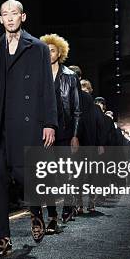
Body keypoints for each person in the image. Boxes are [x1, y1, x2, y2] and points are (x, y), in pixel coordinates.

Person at [0, 0, 57, 257]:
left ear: (23, 16)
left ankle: (35, 211)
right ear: (0, 19)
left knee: (25, 175)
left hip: (25, 121)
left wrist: (50, 123)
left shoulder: (39, 48)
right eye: (5, 14)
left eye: (14, 13)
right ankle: (3, 238)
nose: (10, 18)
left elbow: (46, 87)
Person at [40, 34, 81, 234]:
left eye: (53, 50)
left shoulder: (70, 77)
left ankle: (67, 206)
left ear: (60, 53)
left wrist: (75, 134)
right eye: (46, 50)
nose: (49, 54)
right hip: (45, 133)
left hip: (65, 132)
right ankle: (52, 216)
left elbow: (76, 109)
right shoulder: (38, 75)